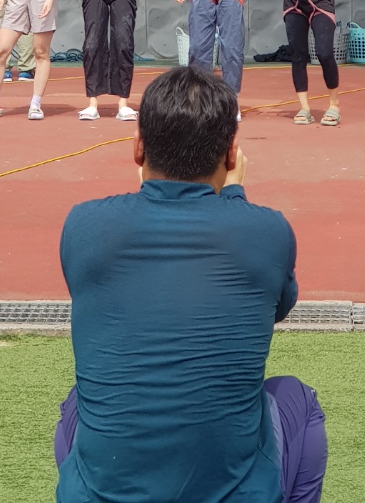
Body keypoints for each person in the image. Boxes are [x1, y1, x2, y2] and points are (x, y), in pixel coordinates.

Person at [55, 66, 327, 503]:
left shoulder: (83, 225)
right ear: (231, 154)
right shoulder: (268, 231)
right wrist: (234, 196)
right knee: (297, 397)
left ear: (138, 147)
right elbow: (275, 307)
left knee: (77, 406)